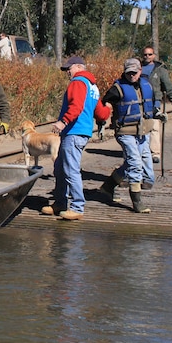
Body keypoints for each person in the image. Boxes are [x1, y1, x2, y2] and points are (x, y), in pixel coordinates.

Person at [41, 56, 110, 221]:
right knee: (59, 167)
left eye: (69, 69)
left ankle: (77, 207)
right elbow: (100, 112)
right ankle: (60, 203)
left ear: (78, 67)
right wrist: (108, 111)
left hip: (74, 131)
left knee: (71, 169)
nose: (67, 73)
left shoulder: (78, 82)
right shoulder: (92, 86)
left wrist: (63, 122)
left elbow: (76, 106)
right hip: (81, 132)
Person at [99, 58, 157, 214]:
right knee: (136, 164)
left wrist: (158, 114)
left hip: (143, 131)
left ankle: (107, 187)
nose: (132, 76)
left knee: (132, 164)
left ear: (140, 71)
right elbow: (104, 105)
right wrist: (102, 122)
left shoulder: (147, 85)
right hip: (125, 132)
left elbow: (151, 103)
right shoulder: (117, 89)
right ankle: (137, 202)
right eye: (129, 73)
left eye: (134, 72)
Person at [141, 46, 172, 164]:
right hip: (140, 100)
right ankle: (142, 150)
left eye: (150, 54)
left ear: (154, 55)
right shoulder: (138, 68)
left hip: (154, 101)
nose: (147, 57)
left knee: (154, 127)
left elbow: (168, 85)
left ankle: (155, 153)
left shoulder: (160, 69)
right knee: (141, 126)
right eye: (145, 55)